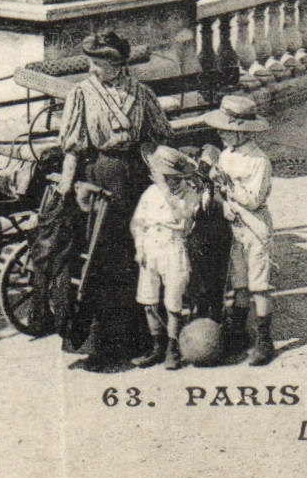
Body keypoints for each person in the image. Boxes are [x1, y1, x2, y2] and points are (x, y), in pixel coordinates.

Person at [53, 31, 172, 371]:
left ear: (118, 65)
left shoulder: (141, 94)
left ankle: (142, 340)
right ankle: (101, 346)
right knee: (100, 263)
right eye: (90, 63)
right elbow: (73, 148)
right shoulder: (81, 94)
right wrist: (67, 187)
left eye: (100, 64)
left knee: (135, 260)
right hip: (99, 180)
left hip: (134, 181)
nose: (93, 70)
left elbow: (160, 135)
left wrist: (159, 171)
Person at [201, 94, 277, 365]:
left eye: (228, 130)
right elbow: (222, 192)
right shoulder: (226, 154)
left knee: (259, 286)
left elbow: (254, 200)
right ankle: (237, 332)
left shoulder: (259, 161)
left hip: (255, 228)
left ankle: (264, 339)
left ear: (242, 130)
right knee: (240, 283)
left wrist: (227, 185)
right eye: (221, 129)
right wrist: (220, 199)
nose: (222, 133)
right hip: (235, 227)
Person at [129, 144, 211, 370]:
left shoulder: (189, 194)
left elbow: (183, 217)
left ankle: (173, 348)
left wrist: (167, 193)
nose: (169, 182)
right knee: (148, 300)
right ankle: (157, 346)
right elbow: (138, 223)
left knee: (173, 302)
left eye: (173, 178)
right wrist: (139, 248)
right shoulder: (150, 193)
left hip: (173, 247)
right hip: (150, 247)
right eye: (165, 177)